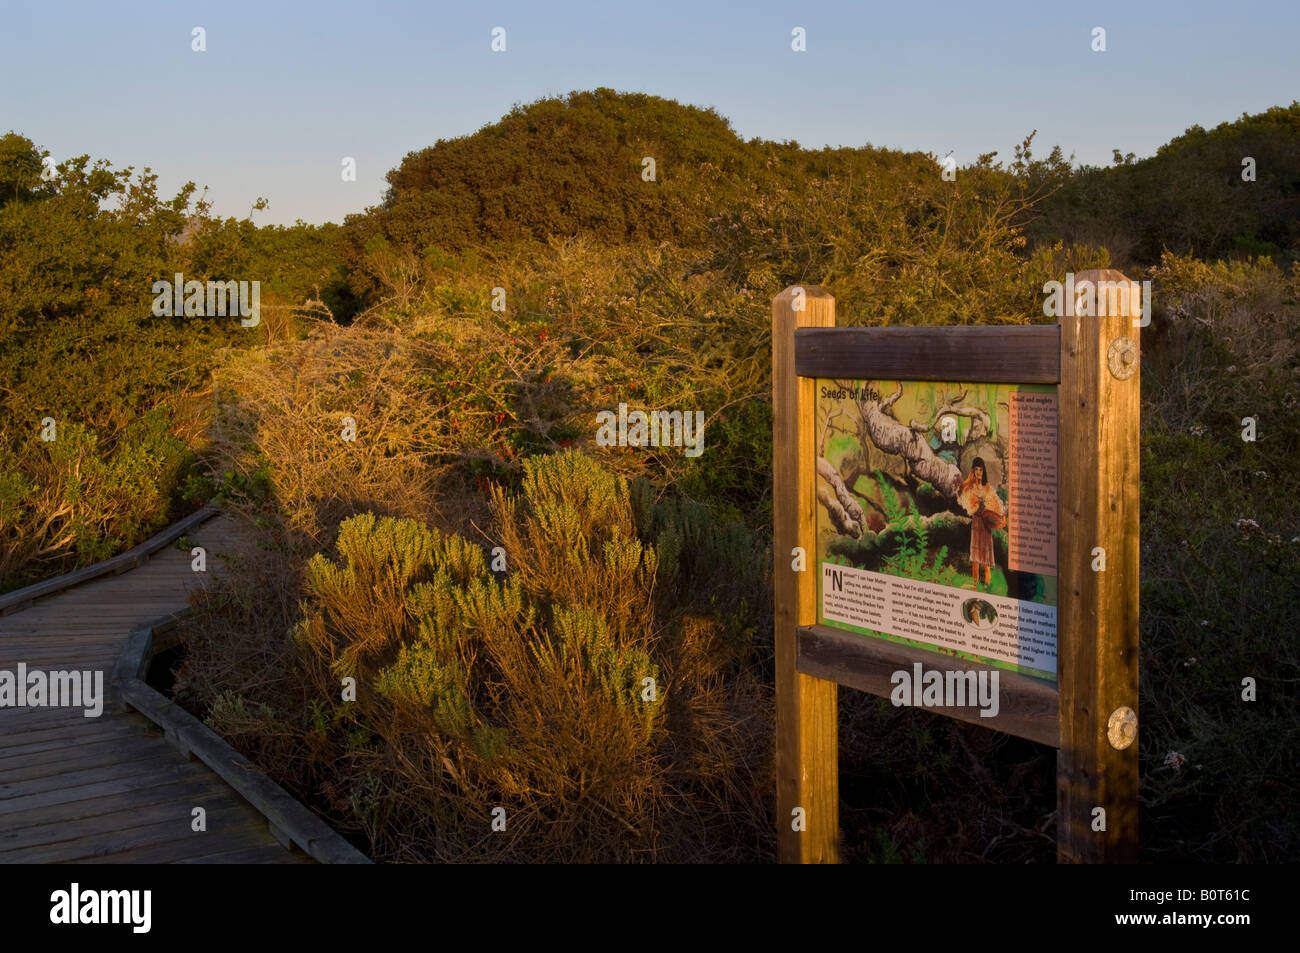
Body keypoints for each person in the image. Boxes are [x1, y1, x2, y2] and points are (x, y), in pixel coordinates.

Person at [956, 457, 1004, 591]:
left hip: (986, 522)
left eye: (981, 470)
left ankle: (988, 581)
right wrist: (976, 505)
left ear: (984, 471)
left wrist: (991, 511)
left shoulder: (987, 487)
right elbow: (961, 494)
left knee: (986, 550)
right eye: (976, 470)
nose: (979, 472)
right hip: (976, 522)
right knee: (976, 553)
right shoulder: (969, 487)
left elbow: (994, 505)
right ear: (973, 471)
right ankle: (975, 582)